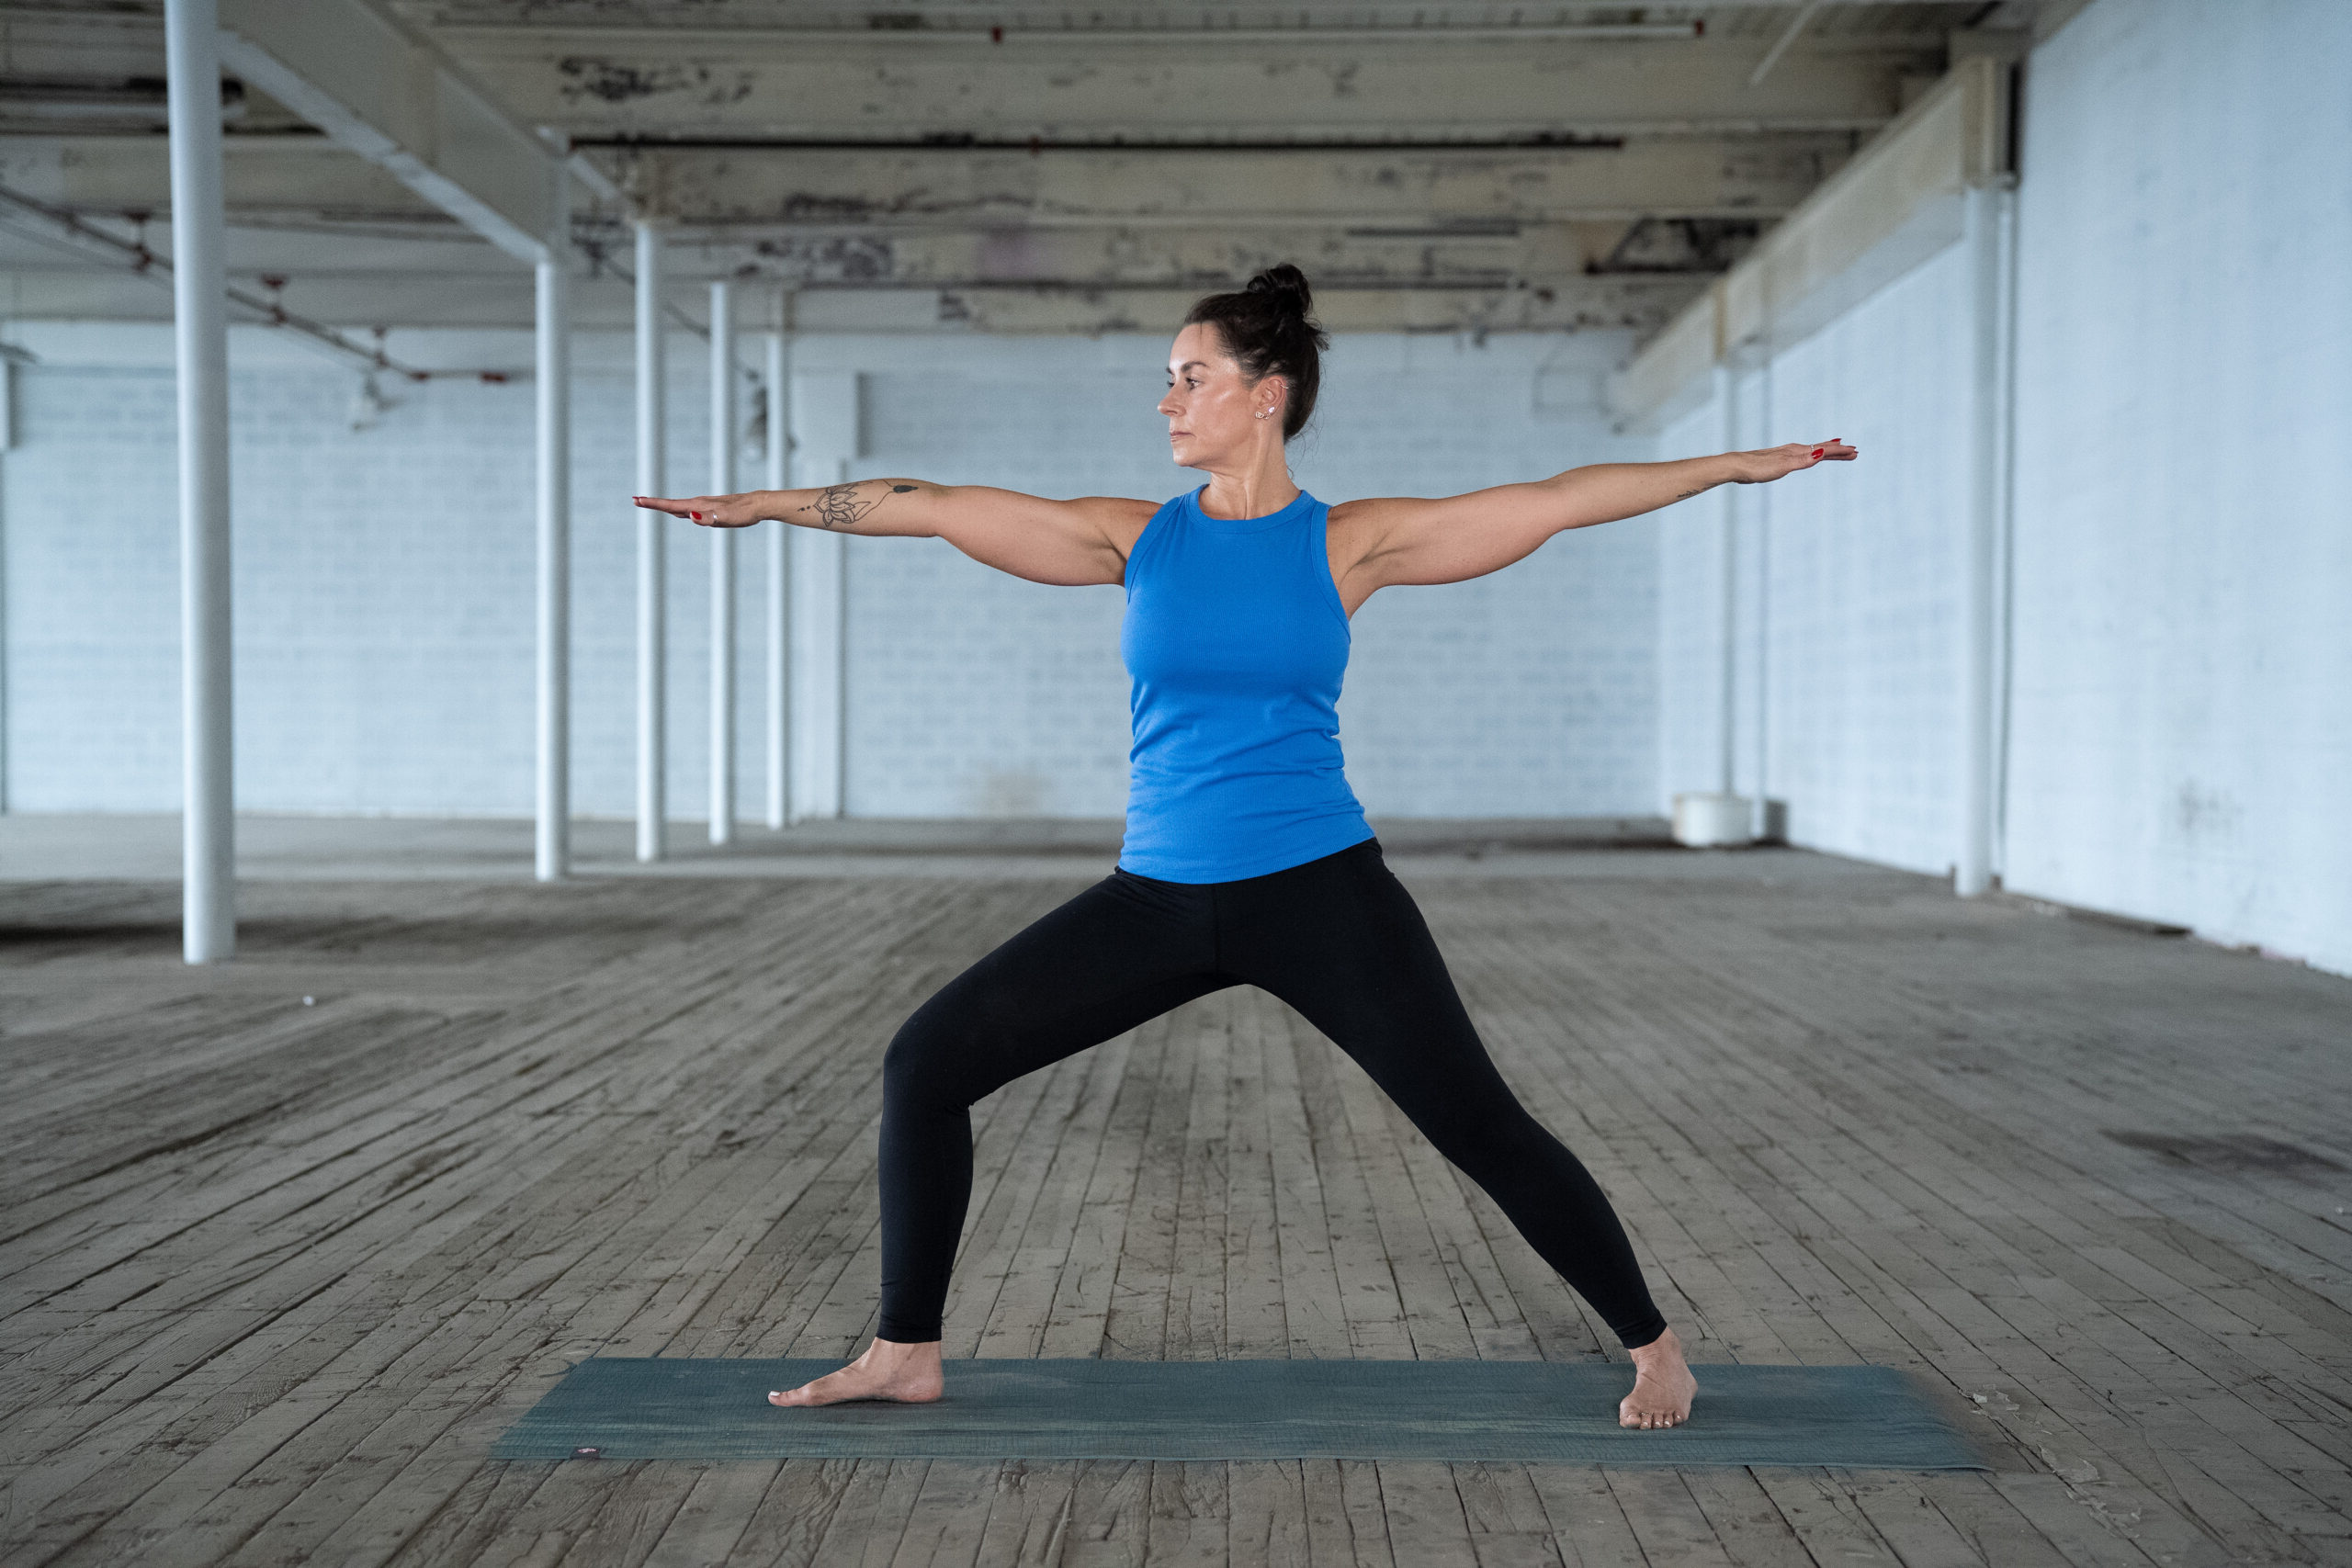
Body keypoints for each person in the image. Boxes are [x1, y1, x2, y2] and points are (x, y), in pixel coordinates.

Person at [635, 265, 1856, 1430]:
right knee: (926, 1061)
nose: (1167, 400)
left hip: (1321, 894)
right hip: (1154, 901)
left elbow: (1561, 497)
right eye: (1167, 379)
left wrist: (1734, 464)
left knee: (1479, 1123)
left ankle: (1654, 1341)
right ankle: (904, 1351)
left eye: (1191, 377)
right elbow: (935, 505)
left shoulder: (1350, 543)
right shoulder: (1135, 539)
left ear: (1265, 396)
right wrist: (765, 506)